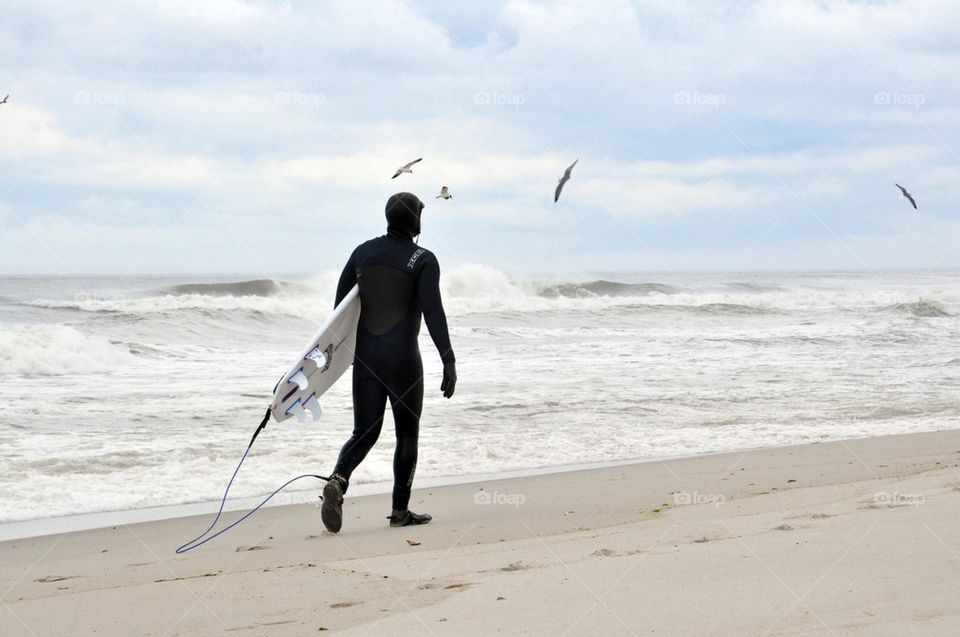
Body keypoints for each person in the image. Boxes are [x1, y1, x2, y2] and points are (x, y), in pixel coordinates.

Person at [321, 192, 457, 532]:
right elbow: (433, 313)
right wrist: (448, 358)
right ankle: (400, 512)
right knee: (407, 434)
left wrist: (340, 359)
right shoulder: (423, 259)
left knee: (364, 432)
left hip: (365, 359)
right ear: (415, 220)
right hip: (403, 362)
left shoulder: (362, 252)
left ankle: (338, 479)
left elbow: (340, 312)